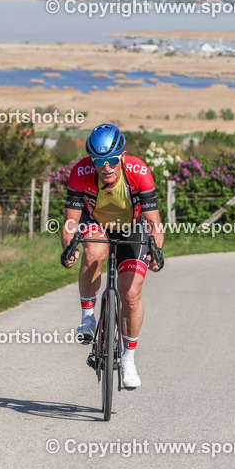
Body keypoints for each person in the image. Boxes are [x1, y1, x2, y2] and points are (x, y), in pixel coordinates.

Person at [60, 124, 164, 389]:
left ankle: (129, 360)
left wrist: (157, 252)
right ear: (91, 160)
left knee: (130, 294)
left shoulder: (138, 171)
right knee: (93, 250)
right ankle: (87, 317)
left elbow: (153, 222)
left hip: (133, 226)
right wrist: (68, 247)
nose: (105, 167)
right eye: (99, 161)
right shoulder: (81, 172)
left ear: (122, 155)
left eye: (111, 160)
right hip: (97, 222)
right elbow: (71, 222)